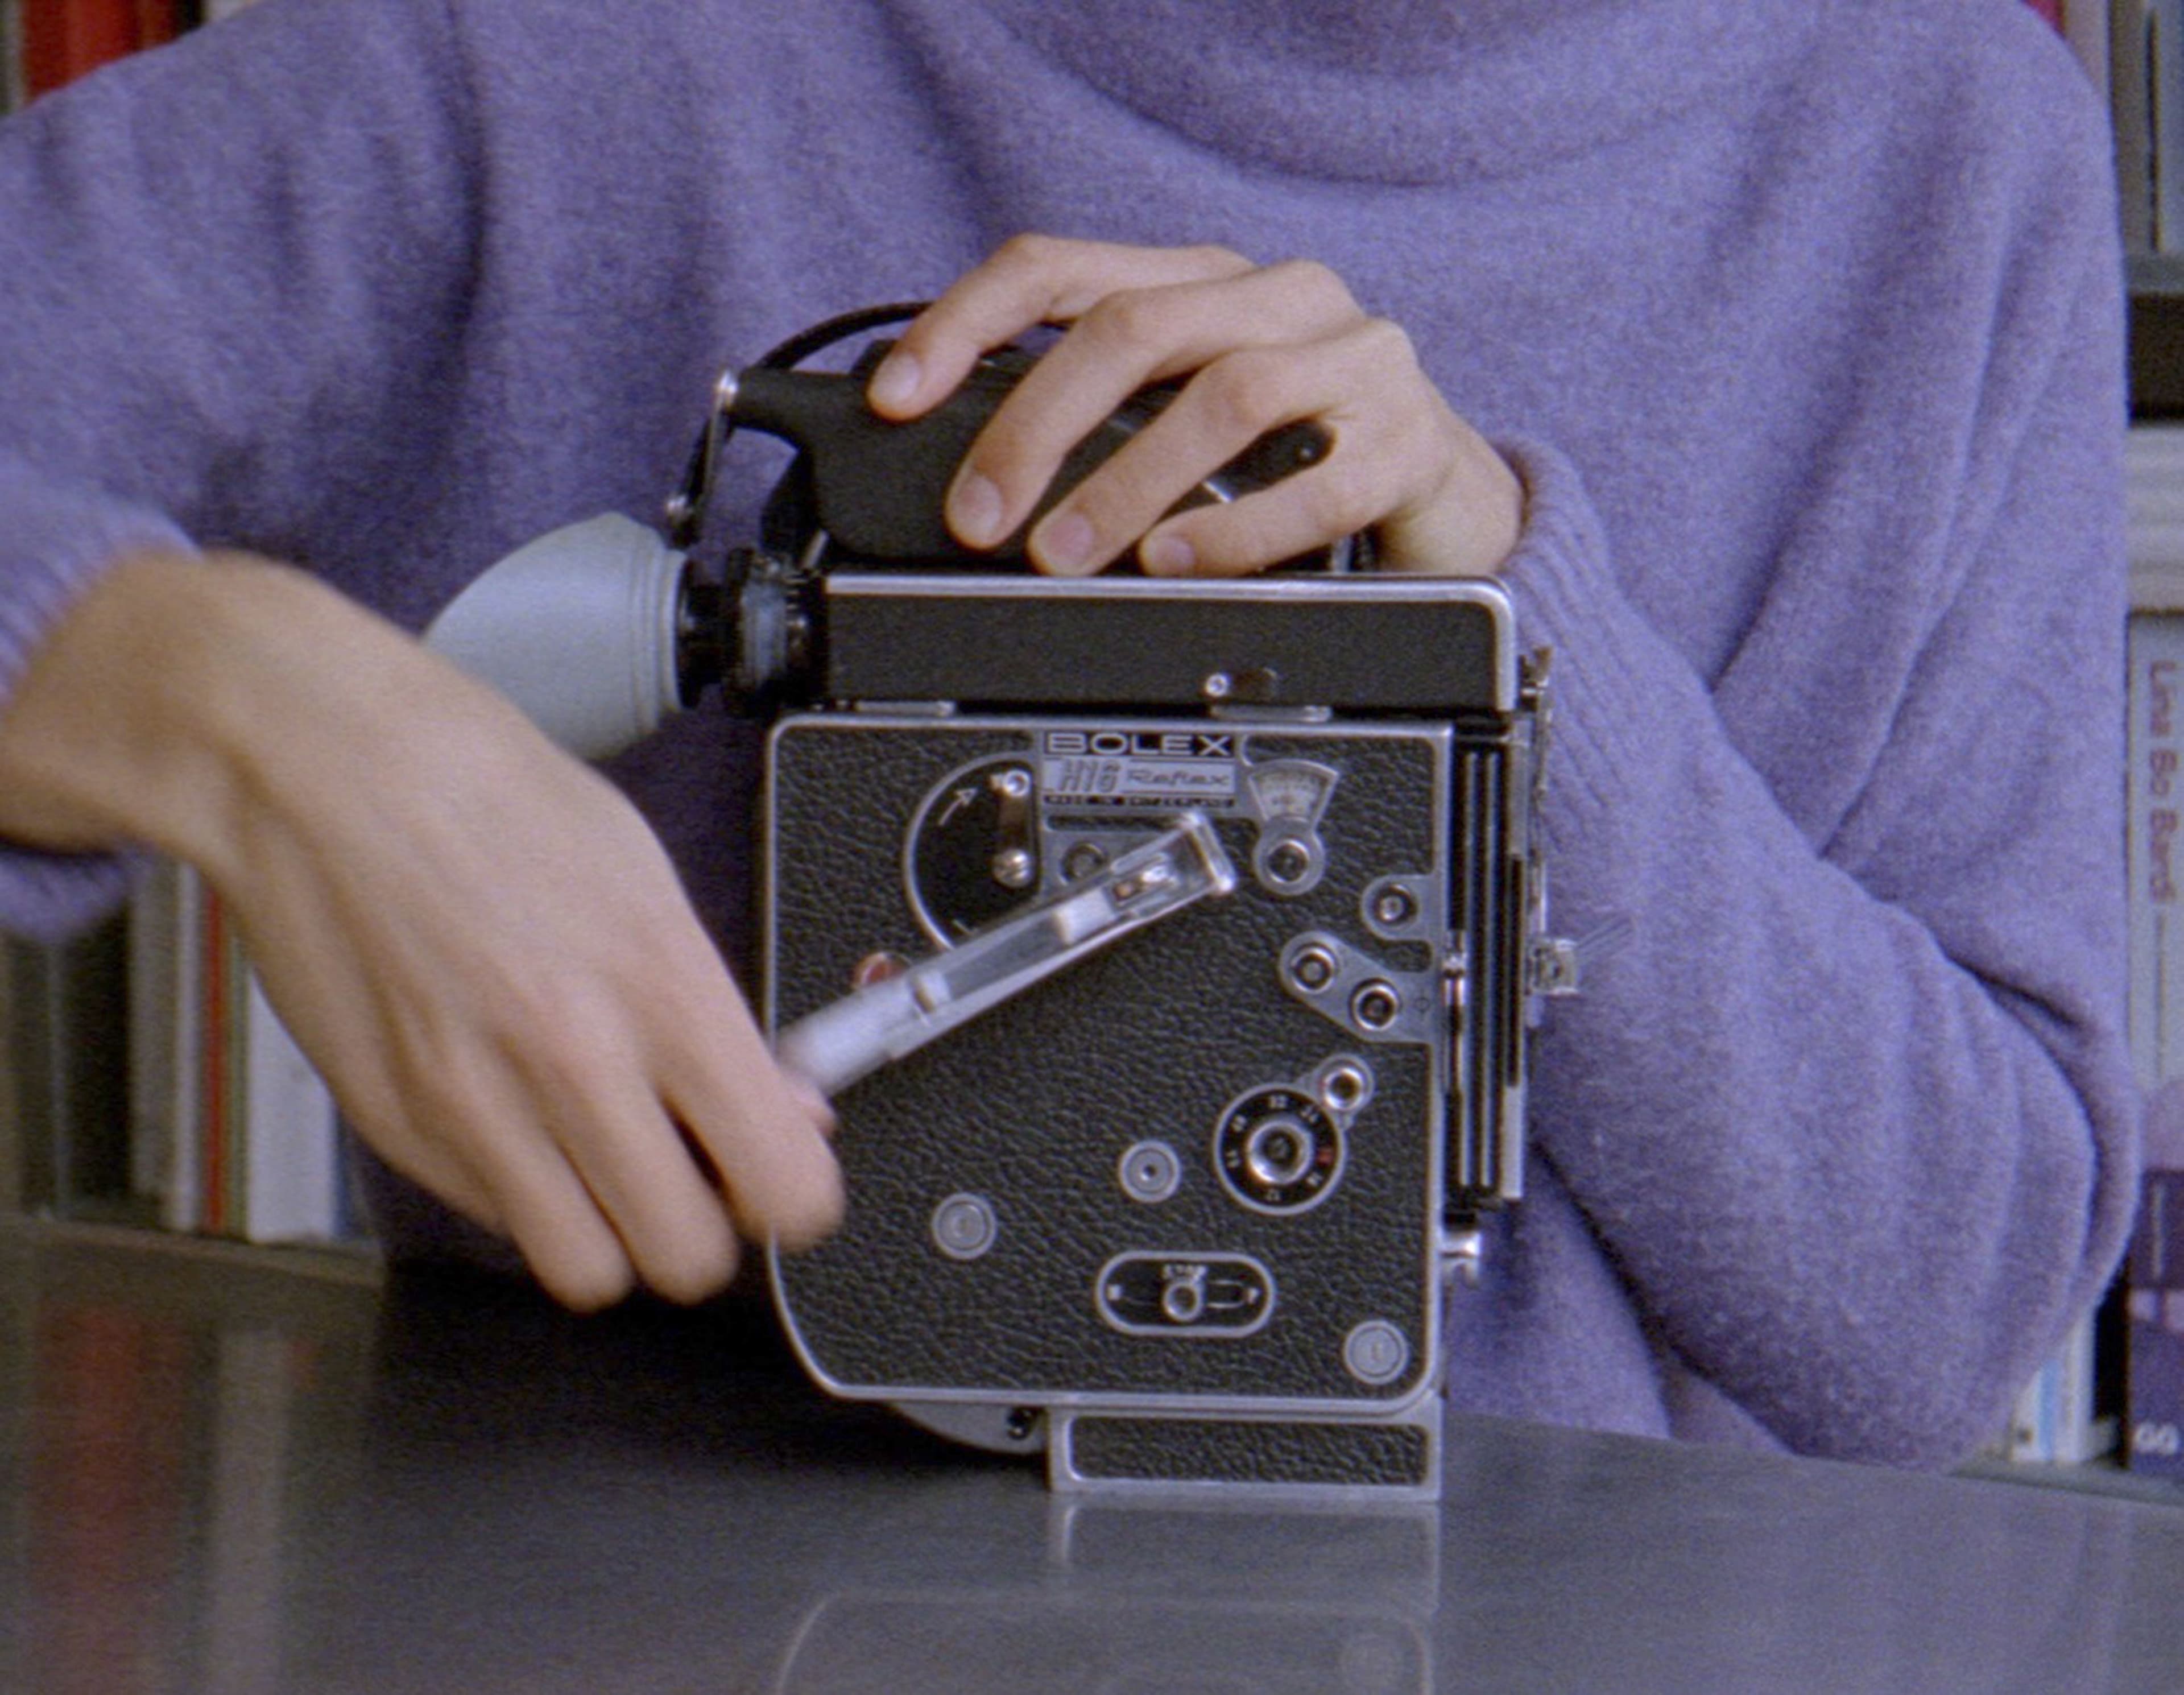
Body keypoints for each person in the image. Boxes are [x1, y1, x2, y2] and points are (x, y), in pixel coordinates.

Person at [0, 0, 2141, 1466]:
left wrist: (1499, 631)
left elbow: (1940, 1316)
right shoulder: (547, 50)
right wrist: (228, 697)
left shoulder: (1943, 132)